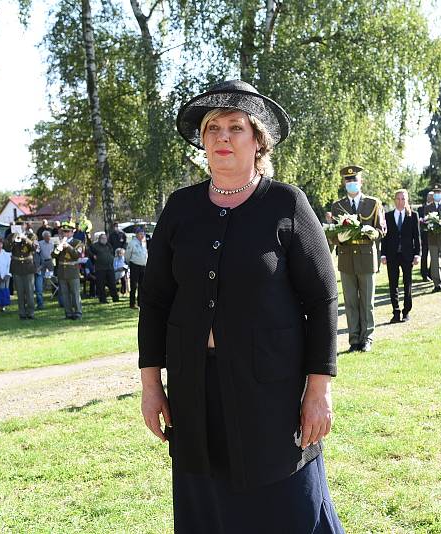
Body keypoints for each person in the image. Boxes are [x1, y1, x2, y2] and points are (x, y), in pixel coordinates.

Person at [139, 80, 343, 532]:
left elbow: (323, 298)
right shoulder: (180, 208)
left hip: (271, 388)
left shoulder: (287, 204)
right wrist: (151, 385)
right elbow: (154, 301)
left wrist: (319, 388)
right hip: (195, 389)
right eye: (213, 128)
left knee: (287, 507)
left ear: (258, 142)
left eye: (236, 127)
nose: (223, 137)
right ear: (202, 142)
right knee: (208, 509)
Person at [330, 165, 386, 353]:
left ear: (361, 182)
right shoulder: (337, 206)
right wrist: (339, 239)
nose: (351, 183)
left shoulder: (373, 203)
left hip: (367, 258)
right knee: (351, 302)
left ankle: (367, 338)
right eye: (348, 180)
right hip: (346, 259)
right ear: (344, 183)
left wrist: (373, 233)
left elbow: (382, 229)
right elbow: (333, 234)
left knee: (367, 303)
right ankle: (354, 339)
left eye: (354, 180)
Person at [380, 189, 420, 323]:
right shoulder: (388, 216)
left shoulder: (413, 216)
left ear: (407, 200)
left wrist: (417, 255)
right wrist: (383, 254)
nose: (400, 201)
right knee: (393, 284)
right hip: (392, 255)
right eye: (398, 199)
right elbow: (384, 238)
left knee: (407, 283)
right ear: (394, 200)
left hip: (407, 255)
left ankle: (406, 312)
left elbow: (417, 237)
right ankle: (396, 312)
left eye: (403, 199)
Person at [52, 222, 85, 319]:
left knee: (75, 293)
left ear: (72, 232)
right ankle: (68, 313)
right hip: (62, 271)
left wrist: (68, 247)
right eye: (63, 232)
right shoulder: (59, 242)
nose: (65, 234)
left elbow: (77, 255)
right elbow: (53, 255)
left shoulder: (77, 242)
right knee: (65, 294)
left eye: (67, 232)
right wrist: (59, 247)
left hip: (72, 271)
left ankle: (78, 312)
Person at [6, 231, 37, 319]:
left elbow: (35, 248)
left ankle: (31, 312)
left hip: (28, 267)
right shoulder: (11, 236)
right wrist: (13, 237)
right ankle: (22, 313)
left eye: (21, 225)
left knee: (29, 291)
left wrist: (25, 238)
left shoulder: (31, 236)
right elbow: (7, 248)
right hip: (17, 267)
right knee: (20, 292)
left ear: (24, 227)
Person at [89, 233, 119, 303]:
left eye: (105, 238)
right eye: (102, 238)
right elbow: (88, 250)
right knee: (101, 285)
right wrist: (93, 255)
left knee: (112, 283)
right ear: (99, 239)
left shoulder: (108, 245)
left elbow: (112, 252)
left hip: (110, 267)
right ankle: (103, 299)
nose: (104, 240)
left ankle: (115, 298)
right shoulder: (95, 246)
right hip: (100, 268)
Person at [124, 228, 147, 309]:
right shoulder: (132, 243)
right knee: (134, 285)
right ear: (136, 234)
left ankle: (140, 302)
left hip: (143, 266)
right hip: (135, 265)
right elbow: (127, 255)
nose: (142, 235)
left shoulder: (143, 243)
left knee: (142, 285)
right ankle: (132, 303)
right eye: (140, 234)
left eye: (143, 234)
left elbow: (145, 254)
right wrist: (128, 263)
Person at [416, 192, 433, 281]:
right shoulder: (420, 209)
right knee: (424, 255)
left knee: (434, 256)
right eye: (429, 196)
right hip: (424, 236)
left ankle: (431, 273)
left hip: (434, 235)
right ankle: (424, 274)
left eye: (432, 197)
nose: (430, 198)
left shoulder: (436, 208)